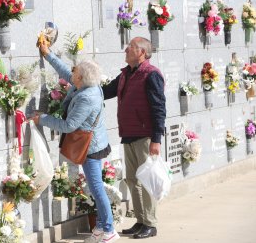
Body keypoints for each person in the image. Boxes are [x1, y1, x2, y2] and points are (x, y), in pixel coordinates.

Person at [31, 40, 120, 243]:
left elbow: (69, 125)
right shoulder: (88, 85)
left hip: (90, 147)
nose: (72, 72)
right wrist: (48, 54)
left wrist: (42, 119)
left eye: (75, 71)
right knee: (95, 185)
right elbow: (65, 72)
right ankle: (100, 227)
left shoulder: (87, 97)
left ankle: (109, 230)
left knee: (96, 187)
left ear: (80, 78)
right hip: (93, 143)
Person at [102, 37, 166, 239]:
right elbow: (106, 91)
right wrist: (80, 86)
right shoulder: (125, 74)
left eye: (130, 47)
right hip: (129, 134)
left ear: (142, 53)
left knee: (146, 181)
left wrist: (156, 138)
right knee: (132, 180)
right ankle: (141, 221)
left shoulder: (151, 75)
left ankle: (150, 223)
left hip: (145, 136)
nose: (126, 50)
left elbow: (158, 108)